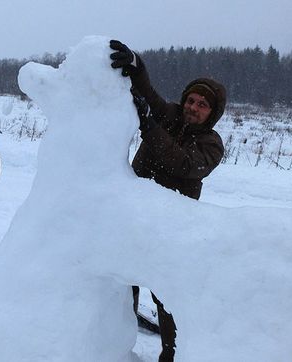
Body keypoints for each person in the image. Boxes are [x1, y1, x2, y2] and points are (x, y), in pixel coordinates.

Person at [110, 40, 226, 362]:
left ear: (212, 112)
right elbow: (150, 96)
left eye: (202, 104)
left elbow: (182, 164)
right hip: (133, 217)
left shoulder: (211, 145)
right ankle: (114, 344)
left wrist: (149, 127)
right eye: (191, 100)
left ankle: (171, 355)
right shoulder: (171, 116)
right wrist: (137, 64)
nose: (193, 107)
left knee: (167, 298)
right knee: (123, 285)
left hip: (171, 231)